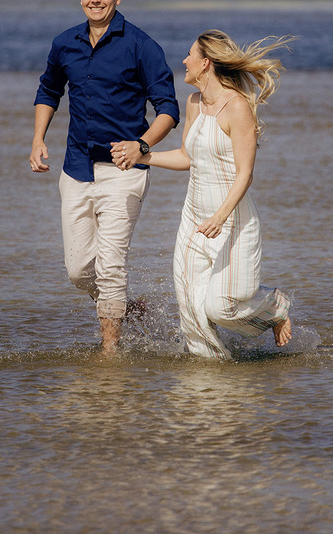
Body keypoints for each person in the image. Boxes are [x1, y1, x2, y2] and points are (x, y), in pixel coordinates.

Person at [112, 29, 295, 359]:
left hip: (233, 223)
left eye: (190, 55)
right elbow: (187, 156)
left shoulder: (238, 107)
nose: (184, 61)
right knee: (193, 317)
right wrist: (143, 155)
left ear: (206, 63)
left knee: (221, 308)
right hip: (193, 223)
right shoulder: (194, 102)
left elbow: (245, 174)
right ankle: (209, 387)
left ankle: (273, 307)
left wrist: (220, 217)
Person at [31, 0, 180, 352]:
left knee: (111, 265)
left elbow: (168, 108)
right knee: (79, 271)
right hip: (76, 169)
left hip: (124, 172)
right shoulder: (65, 43)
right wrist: (37, 139)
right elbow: (49, 91)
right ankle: (128, 308)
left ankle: (109, 350)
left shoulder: (141, 45)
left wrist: (142, 146)